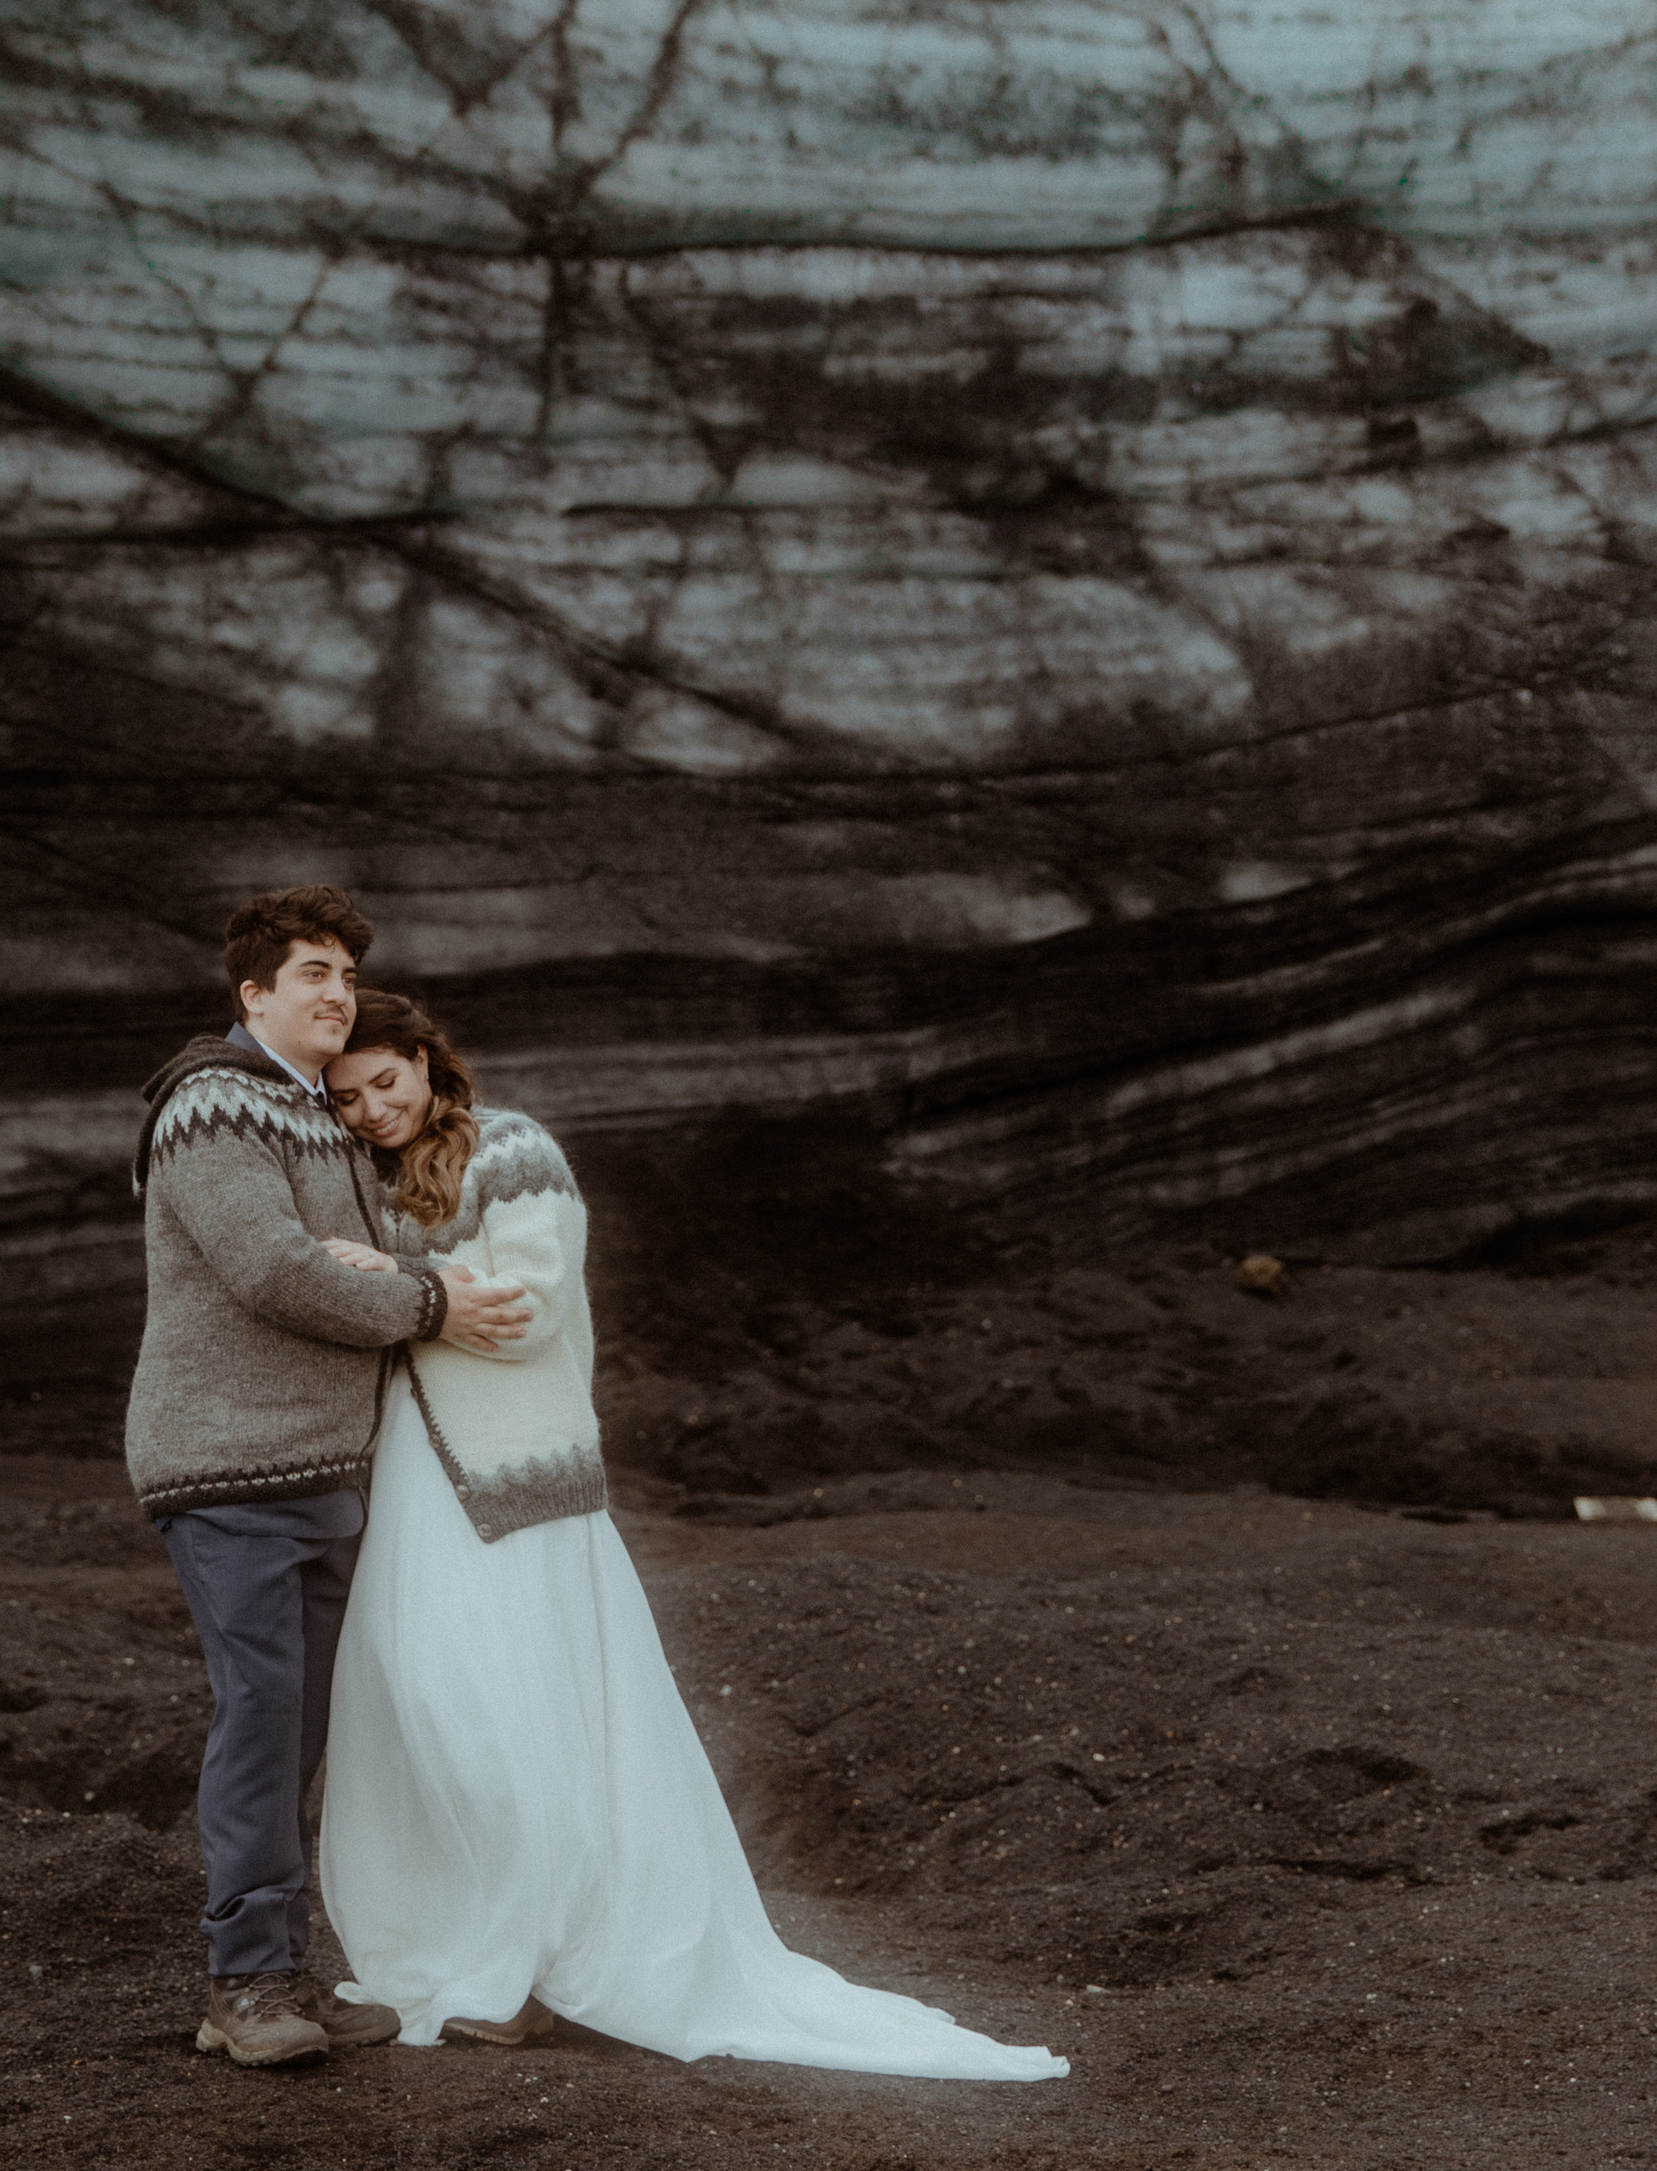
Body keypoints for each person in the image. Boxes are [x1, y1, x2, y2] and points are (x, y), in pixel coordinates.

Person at [314, 989, 1068, 2084]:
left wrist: (401, 1283)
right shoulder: (363, 1175)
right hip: (414, 1480)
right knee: (422, 1703)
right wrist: (418, 1290)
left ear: (428, 1063)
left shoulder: (511, 1149)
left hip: (520, 1481)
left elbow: (527, 1311)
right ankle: (483, 1944)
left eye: (386, 1082)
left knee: (516, 1717)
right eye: (346, 1098)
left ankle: (531, 1970)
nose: (373, 1109)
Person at [125, 888, 531, 2070]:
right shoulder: (213, 1103)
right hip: (228, 1465)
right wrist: (432, 1304)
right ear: (252, 992)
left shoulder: (319, 1113)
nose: (338, 995)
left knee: (309, 1730)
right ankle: (245, 1984)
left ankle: (284, 1968)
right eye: (313, 973)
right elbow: (272, 1270)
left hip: (328, 1472)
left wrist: (414, 1277)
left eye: (348, 976)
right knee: (263, 1716)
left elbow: (364, 1257)